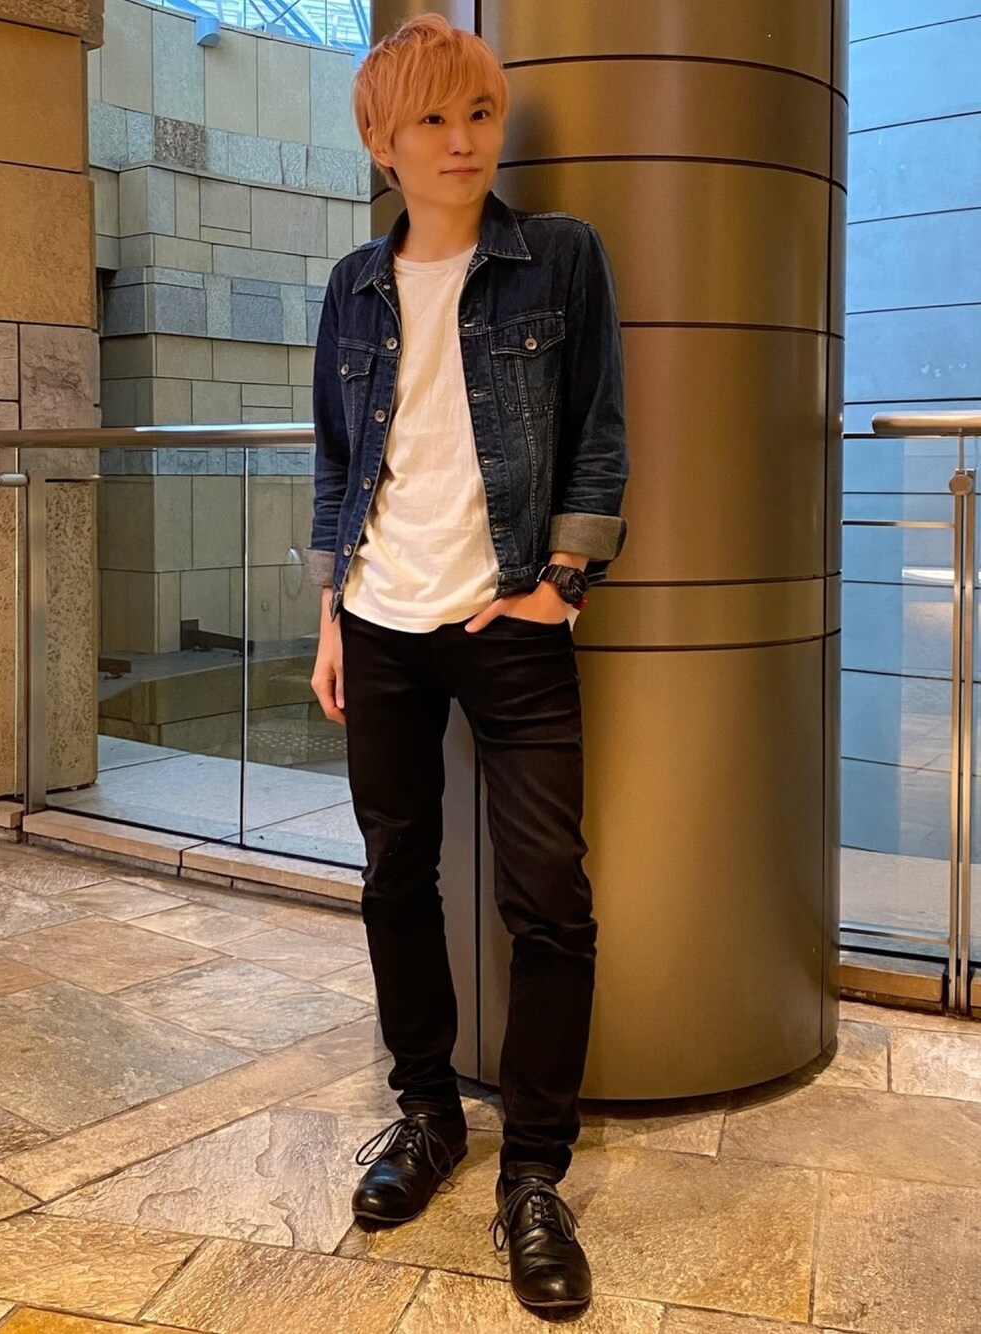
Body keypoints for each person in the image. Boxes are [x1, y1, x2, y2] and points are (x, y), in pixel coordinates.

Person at [306, 13, 628, 1314]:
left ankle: (534, 1170)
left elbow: (599, 428)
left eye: (480, 114)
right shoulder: (352, 285)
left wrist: (563, 584)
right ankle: (429, 1113)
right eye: (432, 120)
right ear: (382, 144)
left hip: (513, 625)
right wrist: (331, 614)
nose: (462, 140)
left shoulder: (560, 258)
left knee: (549, 895)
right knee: (396, 876)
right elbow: (338, 460)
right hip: (379, 622)